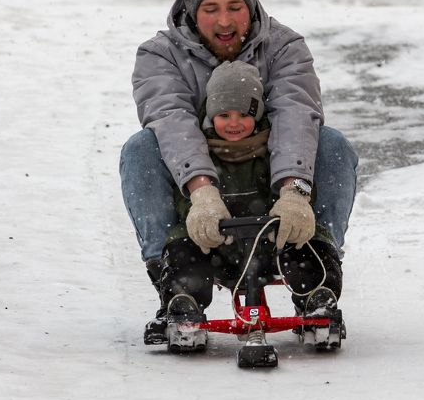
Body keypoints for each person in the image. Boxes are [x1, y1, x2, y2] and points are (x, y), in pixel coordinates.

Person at [119, 0, 358, 334]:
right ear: (191, 11)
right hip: (198, 209)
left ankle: (318, 281)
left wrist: (294, 192)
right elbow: (170, 121)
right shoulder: (159, 55)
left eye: (235, 7)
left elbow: (296, 114)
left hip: (272, 195)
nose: (225, 21)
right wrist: (202, 192)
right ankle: (175, 284)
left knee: (332, 144)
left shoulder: (284, 47)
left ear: (252, 6)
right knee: (140, 150)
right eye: (211, 8)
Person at [145, 61, 344, 348]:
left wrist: (289, 206)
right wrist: (198, 213)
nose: (234, 123)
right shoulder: (200, 154)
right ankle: (183, 302)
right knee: (184, 254)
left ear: (259, 114)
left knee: (308, 247)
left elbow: (297, 180)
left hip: (273, 242)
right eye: (224, 115)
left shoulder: (274, 149)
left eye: (243, 114)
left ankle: (317, 297)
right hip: (216, 245)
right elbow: (184, 193)